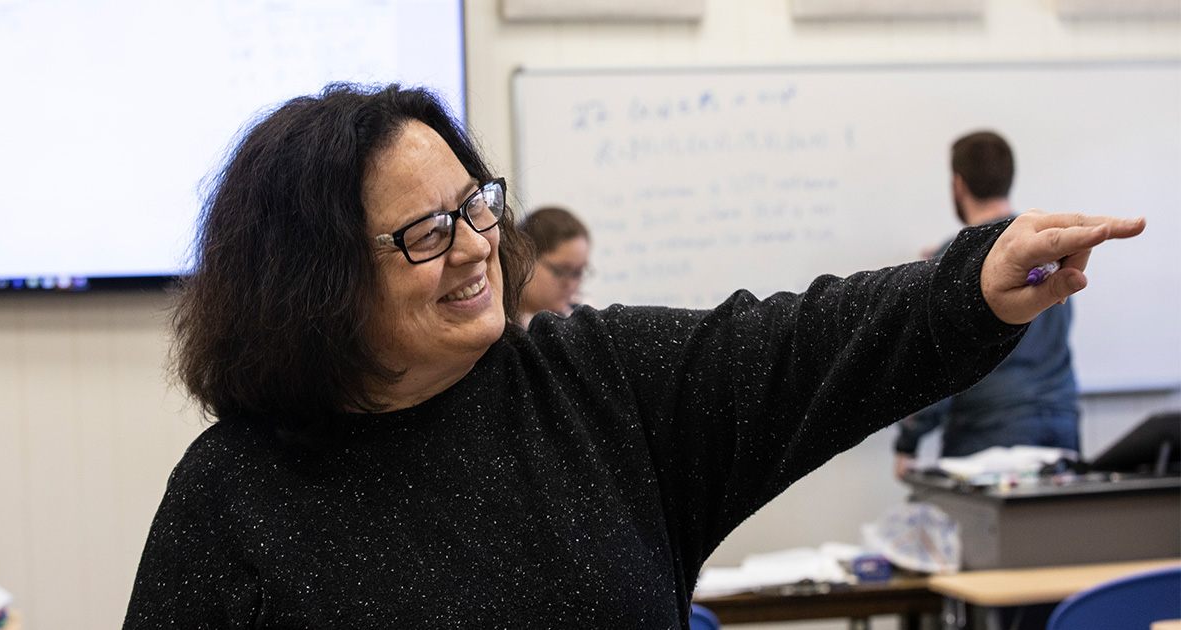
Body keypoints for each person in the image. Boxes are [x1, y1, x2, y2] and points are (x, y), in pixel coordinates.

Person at [122, 84, 1143, 629]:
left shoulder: (598, 387)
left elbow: (800, 340)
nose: (480, 247)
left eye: (477, 205)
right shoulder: (233, 498)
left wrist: (969, 285)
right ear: (315, 283)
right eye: (427, 232)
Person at [893, 131, 1082, 479]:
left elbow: (936, 363)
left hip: (989, 433)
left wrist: (909, 443)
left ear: (958, 185)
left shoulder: (956, 259)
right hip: (1061, 424)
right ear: (1008, 178)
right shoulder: (1048, 246)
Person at [517, 206, 591, 328]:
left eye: (577, 273)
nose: (570, 284)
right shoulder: (501, 323)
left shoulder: (583, 314)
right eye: (560, 271)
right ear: (523, 257)